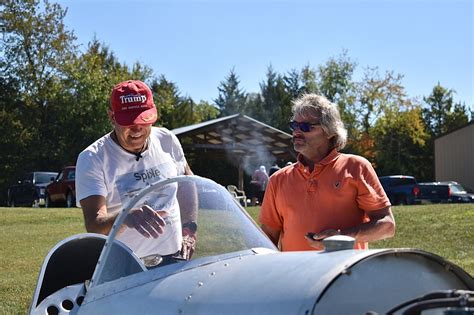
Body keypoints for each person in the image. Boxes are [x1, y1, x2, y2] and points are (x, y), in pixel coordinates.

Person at [76, 80, 197, 259]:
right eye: (129, 121)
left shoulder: (166, 140)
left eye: (144, 119)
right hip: (125, 266)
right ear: (112, 117)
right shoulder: (93, 158)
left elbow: (187, 182)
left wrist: (189, 230)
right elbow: (95, 225)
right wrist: (126, 217)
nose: (137, 128)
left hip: (174, 258)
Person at [259, 94, 395, 251]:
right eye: (294, 125)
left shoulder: (356, 167)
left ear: (330, 131)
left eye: (305, 127)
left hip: (345, 273)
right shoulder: (278, 180)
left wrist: (342, 236)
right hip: (295, 274)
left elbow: (387, 225)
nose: (296, 131)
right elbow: (267, 240)